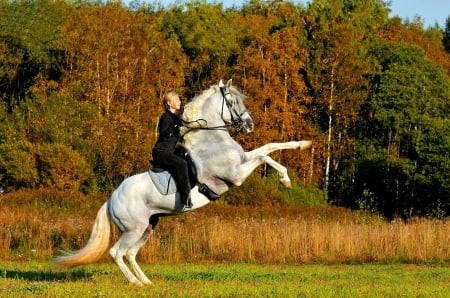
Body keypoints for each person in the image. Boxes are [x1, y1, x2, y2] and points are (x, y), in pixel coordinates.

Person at [152, 91, 192, 208]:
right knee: (182, 164)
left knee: (186, 154)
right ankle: (185, 199)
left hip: (169, 152)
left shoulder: (175, 118)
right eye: (177, 100)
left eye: (179, 100)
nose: (180, 101)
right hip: (160, 152)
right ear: (169, 103)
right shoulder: (166, 117)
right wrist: (175, 125)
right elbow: (164, 134)